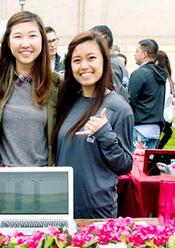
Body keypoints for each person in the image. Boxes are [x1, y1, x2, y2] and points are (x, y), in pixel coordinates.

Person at [53, 31, 133, 218]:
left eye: (91, 58)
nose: (84, 66)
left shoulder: (119, 108)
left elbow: (125, 165)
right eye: (77, 60)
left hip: (97, 208)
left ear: (104, 61)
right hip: (61, 204)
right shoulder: (68, 101)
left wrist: (105, 134)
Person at [0, 11, 59, 167]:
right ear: (7, 41)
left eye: (32, 36)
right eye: (18, 36)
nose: (25, 44)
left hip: (42, 176)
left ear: (42, 40)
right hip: (4, 177)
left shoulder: (56, 85)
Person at [129, 38, 168, 150]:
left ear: (144, 54)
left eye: (137, 51)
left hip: (140, 126)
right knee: (148, 166)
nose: (134, 54)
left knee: (136, 165)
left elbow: (131, 100)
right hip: (155, 129)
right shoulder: (160, 74)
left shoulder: (139, 73)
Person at [90, 25, 130, 102]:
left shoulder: (112, 64)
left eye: (94, 37)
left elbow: (115, 94)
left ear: (105, 39)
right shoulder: (112, 61)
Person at [155, 50, 175, 148]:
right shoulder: (167, 78)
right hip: (166, 116)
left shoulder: (163, 79)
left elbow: (165, 98)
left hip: (162, 116)